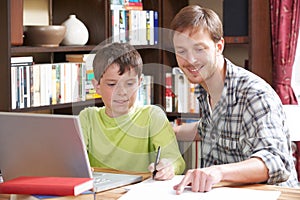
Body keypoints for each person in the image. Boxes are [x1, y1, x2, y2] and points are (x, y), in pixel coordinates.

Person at [169, 5, 299, 194]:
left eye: (199, 49)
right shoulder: (205, 90)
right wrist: (168, 131)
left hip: (273, 195)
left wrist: (217, 172)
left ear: (219, 46)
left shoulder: (254, 94)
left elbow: (277, 161)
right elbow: (208, 128)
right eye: (181, 51)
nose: (190, 60)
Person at [79, 42, 185, 180]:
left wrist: (168, 166)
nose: (121, 92)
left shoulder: (152, 116)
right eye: (112, 84)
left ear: (140, 82)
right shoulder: (87, 118)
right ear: (97, 86)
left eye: (129, 84)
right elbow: (71, 161)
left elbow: (176, 160)